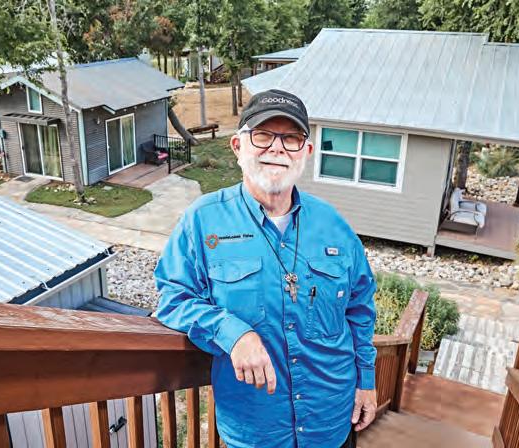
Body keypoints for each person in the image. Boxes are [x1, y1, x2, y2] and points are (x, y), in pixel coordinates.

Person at [154, 89, 377, 448]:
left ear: (306, 151)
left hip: (331, 422)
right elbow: (173, 298)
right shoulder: (202, 220)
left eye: (291, 138)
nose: (277, 148)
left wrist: (366, 381)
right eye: (262, 135)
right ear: (237, 146)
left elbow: (360, 308)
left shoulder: (334, 225)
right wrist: (232, 332)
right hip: (256, 430)